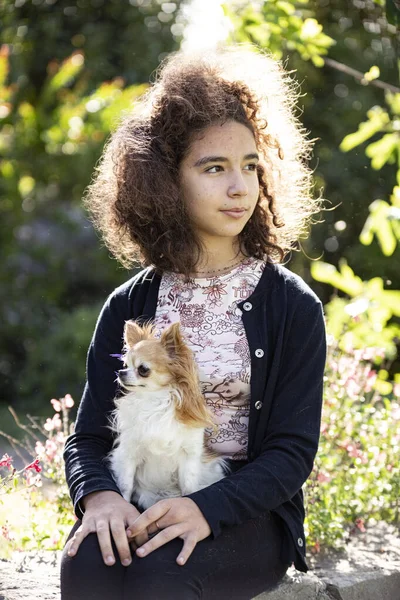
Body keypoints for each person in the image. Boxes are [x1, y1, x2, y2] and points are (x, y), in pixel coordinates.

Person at [60, 43, 327, 599]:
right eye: (215, 168)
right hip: (138, 498)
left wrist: (205, 508)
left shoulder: (292, 307)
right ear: (164, 181)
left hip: (242, 513)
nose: (240, 187)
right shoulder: (128, 305)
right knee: (85, 567)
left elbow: (290, 453)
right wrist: (100, 497)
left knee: (160, 581)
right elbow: (87, 437)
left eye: (251, 167)